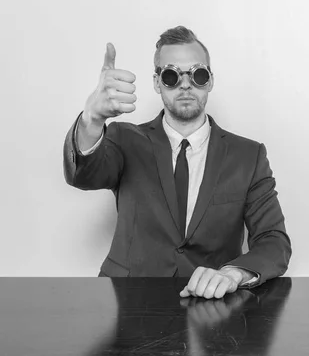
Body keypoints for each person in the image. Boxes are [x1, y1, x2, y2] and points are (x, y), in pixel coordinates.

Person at [63, 26, 291, 299]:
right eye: (172, 75)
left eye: (198, 74)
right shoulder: (124, 139)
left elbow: (273, 241)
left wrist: (232, 274)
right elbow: (83, 175)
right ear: (157, 82)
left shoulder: (248, 156)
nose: (186, 84)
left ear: (210, 81)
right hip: (129, 303)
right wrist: (92, 119)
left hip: (211, 306)